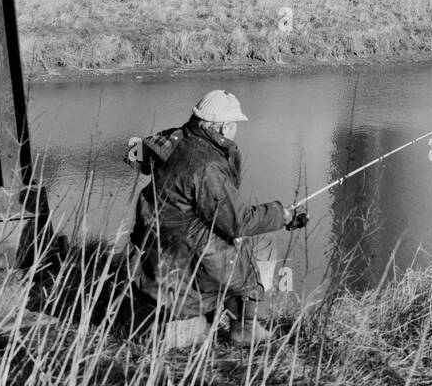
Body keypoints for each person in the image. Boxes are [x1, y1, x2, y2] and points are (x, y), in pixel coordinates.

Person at [127, 89, 307, 345]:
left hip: (156, 245)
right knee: (258, 243)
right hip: (182, 256)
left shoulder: (175, 138)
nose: (235, 131)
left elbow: (135, 155)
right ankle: (246, 327)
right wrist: (282, 215)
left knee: (232, 237)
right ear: (223, 128)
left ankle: (226, 314)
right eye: (234, 125)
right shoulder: (207, 166)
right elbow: (238, 223)